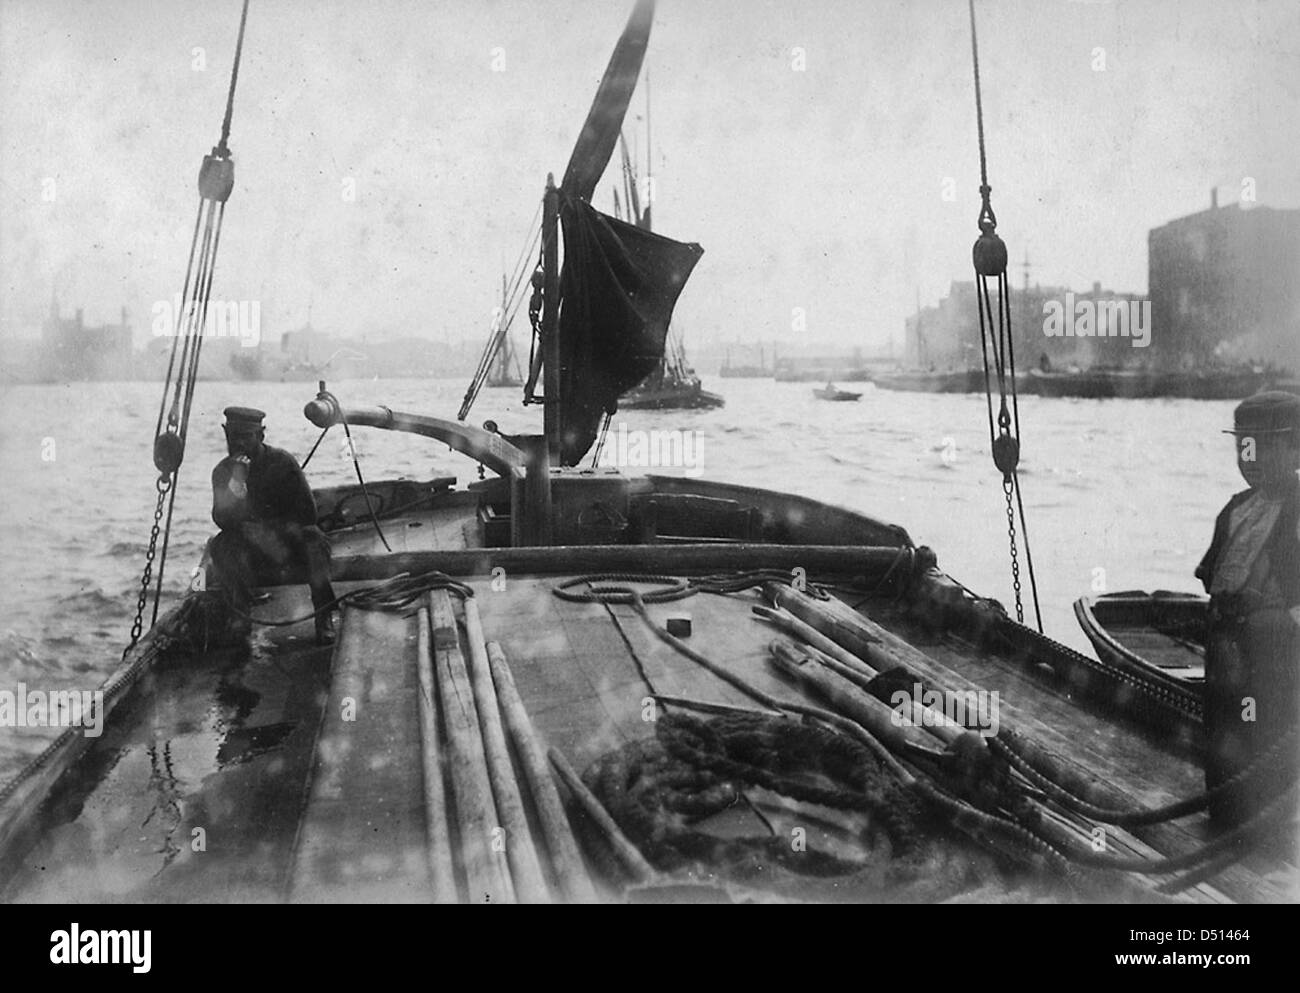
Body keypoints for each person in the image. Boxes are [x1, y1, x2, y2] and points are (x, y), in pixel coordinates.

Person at [1195, 390, 1300, 828]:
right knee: (1224, 731)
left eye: (1260, 445)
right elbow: (1213, 576)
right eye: (1243, 446)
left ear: (1294, 447)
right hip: (1227, 648)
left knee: (1267, 732)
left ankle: (1267, 825)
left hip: (1273, 652)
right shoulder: (1236, 509)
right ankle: (1224, 813)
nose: (1249, 457)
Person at [207, 406, 337, 645]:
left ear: (261, 435)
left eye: (246, 436)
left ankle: (324, 614)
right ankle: (241, 617)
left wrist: (270, 529)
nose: (239, 443)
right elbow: (221, 519)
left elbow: (308, 513)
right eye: (233, 436)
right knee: (222, 546)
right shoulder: (223, 472)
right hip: (251, 550)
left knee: (314, 540)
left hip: (286, 544)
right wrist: (237, 482)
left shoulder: (283, 462)